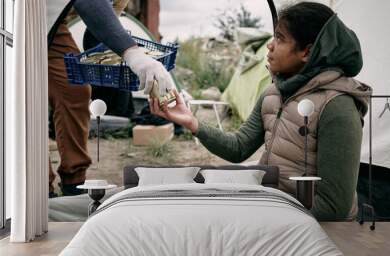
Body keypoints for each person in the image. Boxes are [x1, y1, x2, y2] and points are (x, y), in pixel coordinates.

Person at [149, 2, 372, 221]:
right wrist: (191, 121)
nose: (269, 45)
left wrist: (262, 214)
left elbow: (335, 208)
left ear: (307, 52)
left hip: (317, 231)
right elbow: (238, 147)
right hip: (273, 207)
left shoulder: (337, 107)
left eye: (280, 38)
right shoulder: (273, 94)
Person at [47, 0, 173, 197]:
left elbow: (95, 32)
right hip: (20, 19)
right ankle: (39, 186)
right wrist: (132, 54)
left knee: (76, 90)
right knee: (28, 98)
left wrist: (120, 47)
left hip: (52, 26)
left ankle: (74, 179)